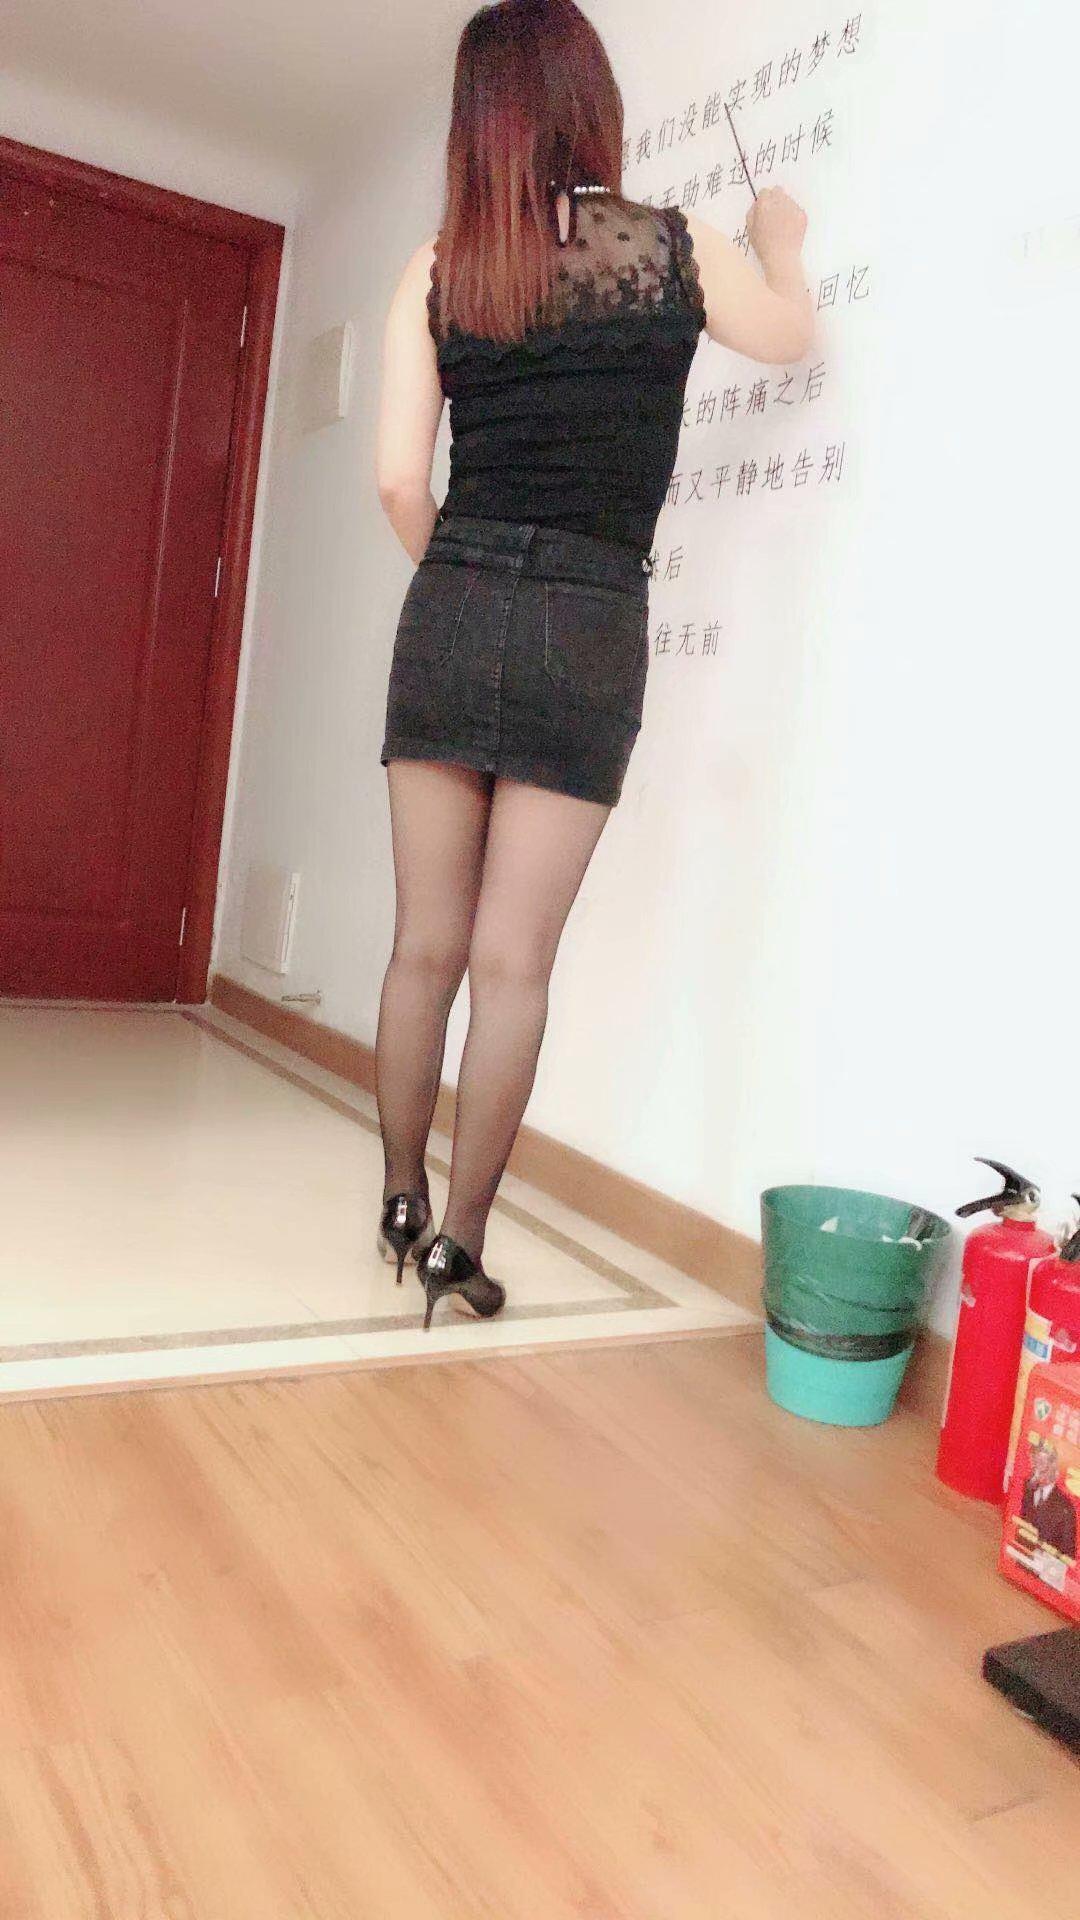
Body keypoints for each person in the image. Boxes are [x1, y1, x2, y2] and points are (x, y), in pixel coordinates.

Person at [372, 0, 813, 1330]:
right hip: (591, 619)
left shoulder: (440, 268)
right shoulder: (674, 249)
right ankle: (460, 1244)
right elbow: (790, 333)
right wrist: (782, 241)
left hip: (454, 599)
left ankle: (397, 1200)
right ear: (590, 102)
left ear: (477, 124)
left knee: (424, 947)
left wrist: (462, 575)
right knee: (514, 962)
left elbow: (398, 479)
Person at [1020, 1437, 1078, 1560]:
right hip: (1020, 1559)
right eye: (1034, 1461)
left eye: (1041, 1463)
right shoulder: (1028, 1489)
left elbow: (1068, 1555)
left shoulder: (1066, 1508)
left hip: (1047, 1567)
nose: (1036, 1468)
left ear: (1054, 1466)